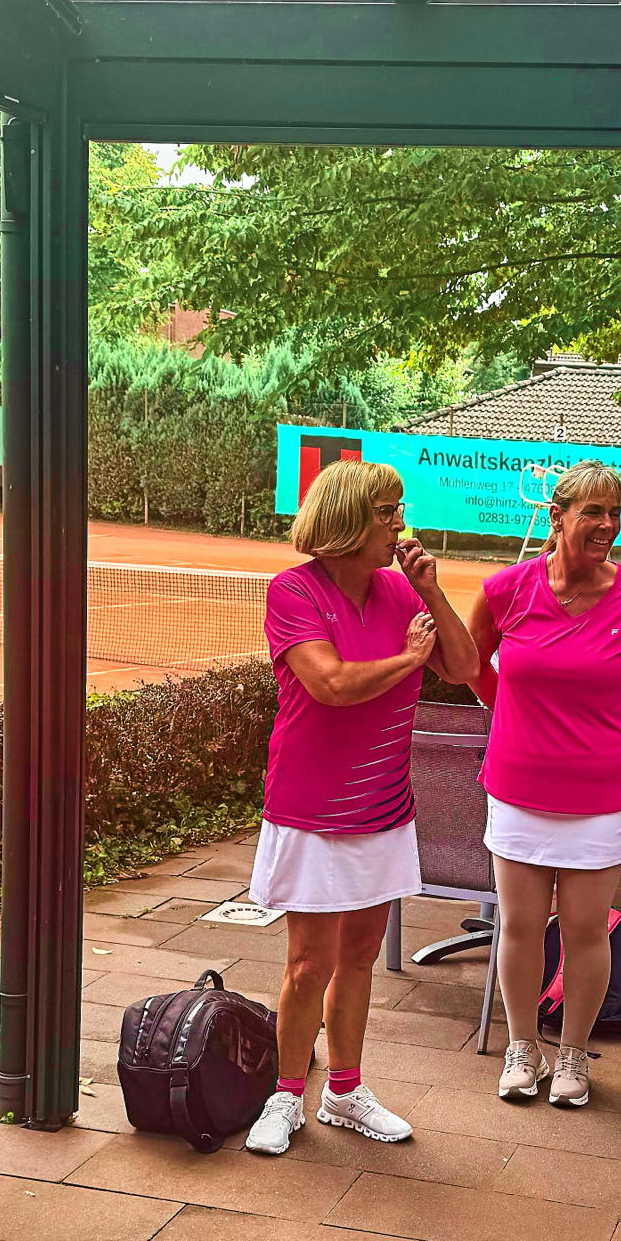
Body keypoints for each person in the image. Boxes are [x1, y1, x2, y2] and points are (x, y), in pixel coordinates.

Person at [243, 460, 476, 1155]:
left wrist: (431, 594)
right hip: (311, 808)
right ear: (345, 518)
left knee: (361, 955)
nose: (397, 525)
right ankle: (286, 1097)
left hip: (382, 808)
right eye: (384, 512)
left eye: (398, 510)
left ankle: (344, 1091)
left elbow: (463, 668)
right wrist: (407, 662)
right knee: (308, 963)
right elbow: (332, 685)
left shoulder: (404, 594)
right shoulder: (293, 590)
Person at [467, 463, 621, 1109]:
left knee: (588, 928)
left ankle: (574, 1056)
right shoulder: (507, 590)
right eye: (593, 512)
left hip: (603, 793)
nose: (608, 526)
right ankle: (522, 1048)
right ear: (557, 517)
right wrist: (509, 712)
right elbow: (472, 662)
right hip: (518, 782)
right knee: (522, 925)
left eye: (615, 514)